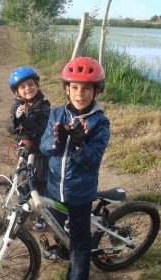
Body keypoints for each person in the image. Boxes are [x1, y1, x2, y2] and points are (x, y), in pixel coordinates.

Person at [40, 57, 110, 279]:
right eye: (75, 87)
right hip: (53, 188)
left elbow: (92, 160)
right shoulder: (56, 114)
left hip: (80, 193)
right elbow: (44, 146)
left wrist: (79, 144)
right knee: (60, 230)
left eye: (87, 88)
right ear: (66, 89)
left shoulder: (100, 122)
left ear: (97, 91)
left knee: (80, 242)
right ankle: (64, 249)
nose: (80, 94)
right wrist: (56, 141)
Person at [7, 66, 50, 231]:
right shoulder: (17, 106)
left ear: (37, 86)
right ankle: (22, 209)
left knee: (39, 182)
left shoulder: (43, 106)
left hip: (39, 152)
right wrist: (17, 120)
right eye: (23, 87)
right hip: (24, 151)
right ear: (17, 92)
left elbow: (40, 130)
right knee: (23, 180)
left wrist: (25, 120)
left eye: (31, 84)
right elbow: (9, 126)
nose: (28, 89)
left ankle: (43, 215)